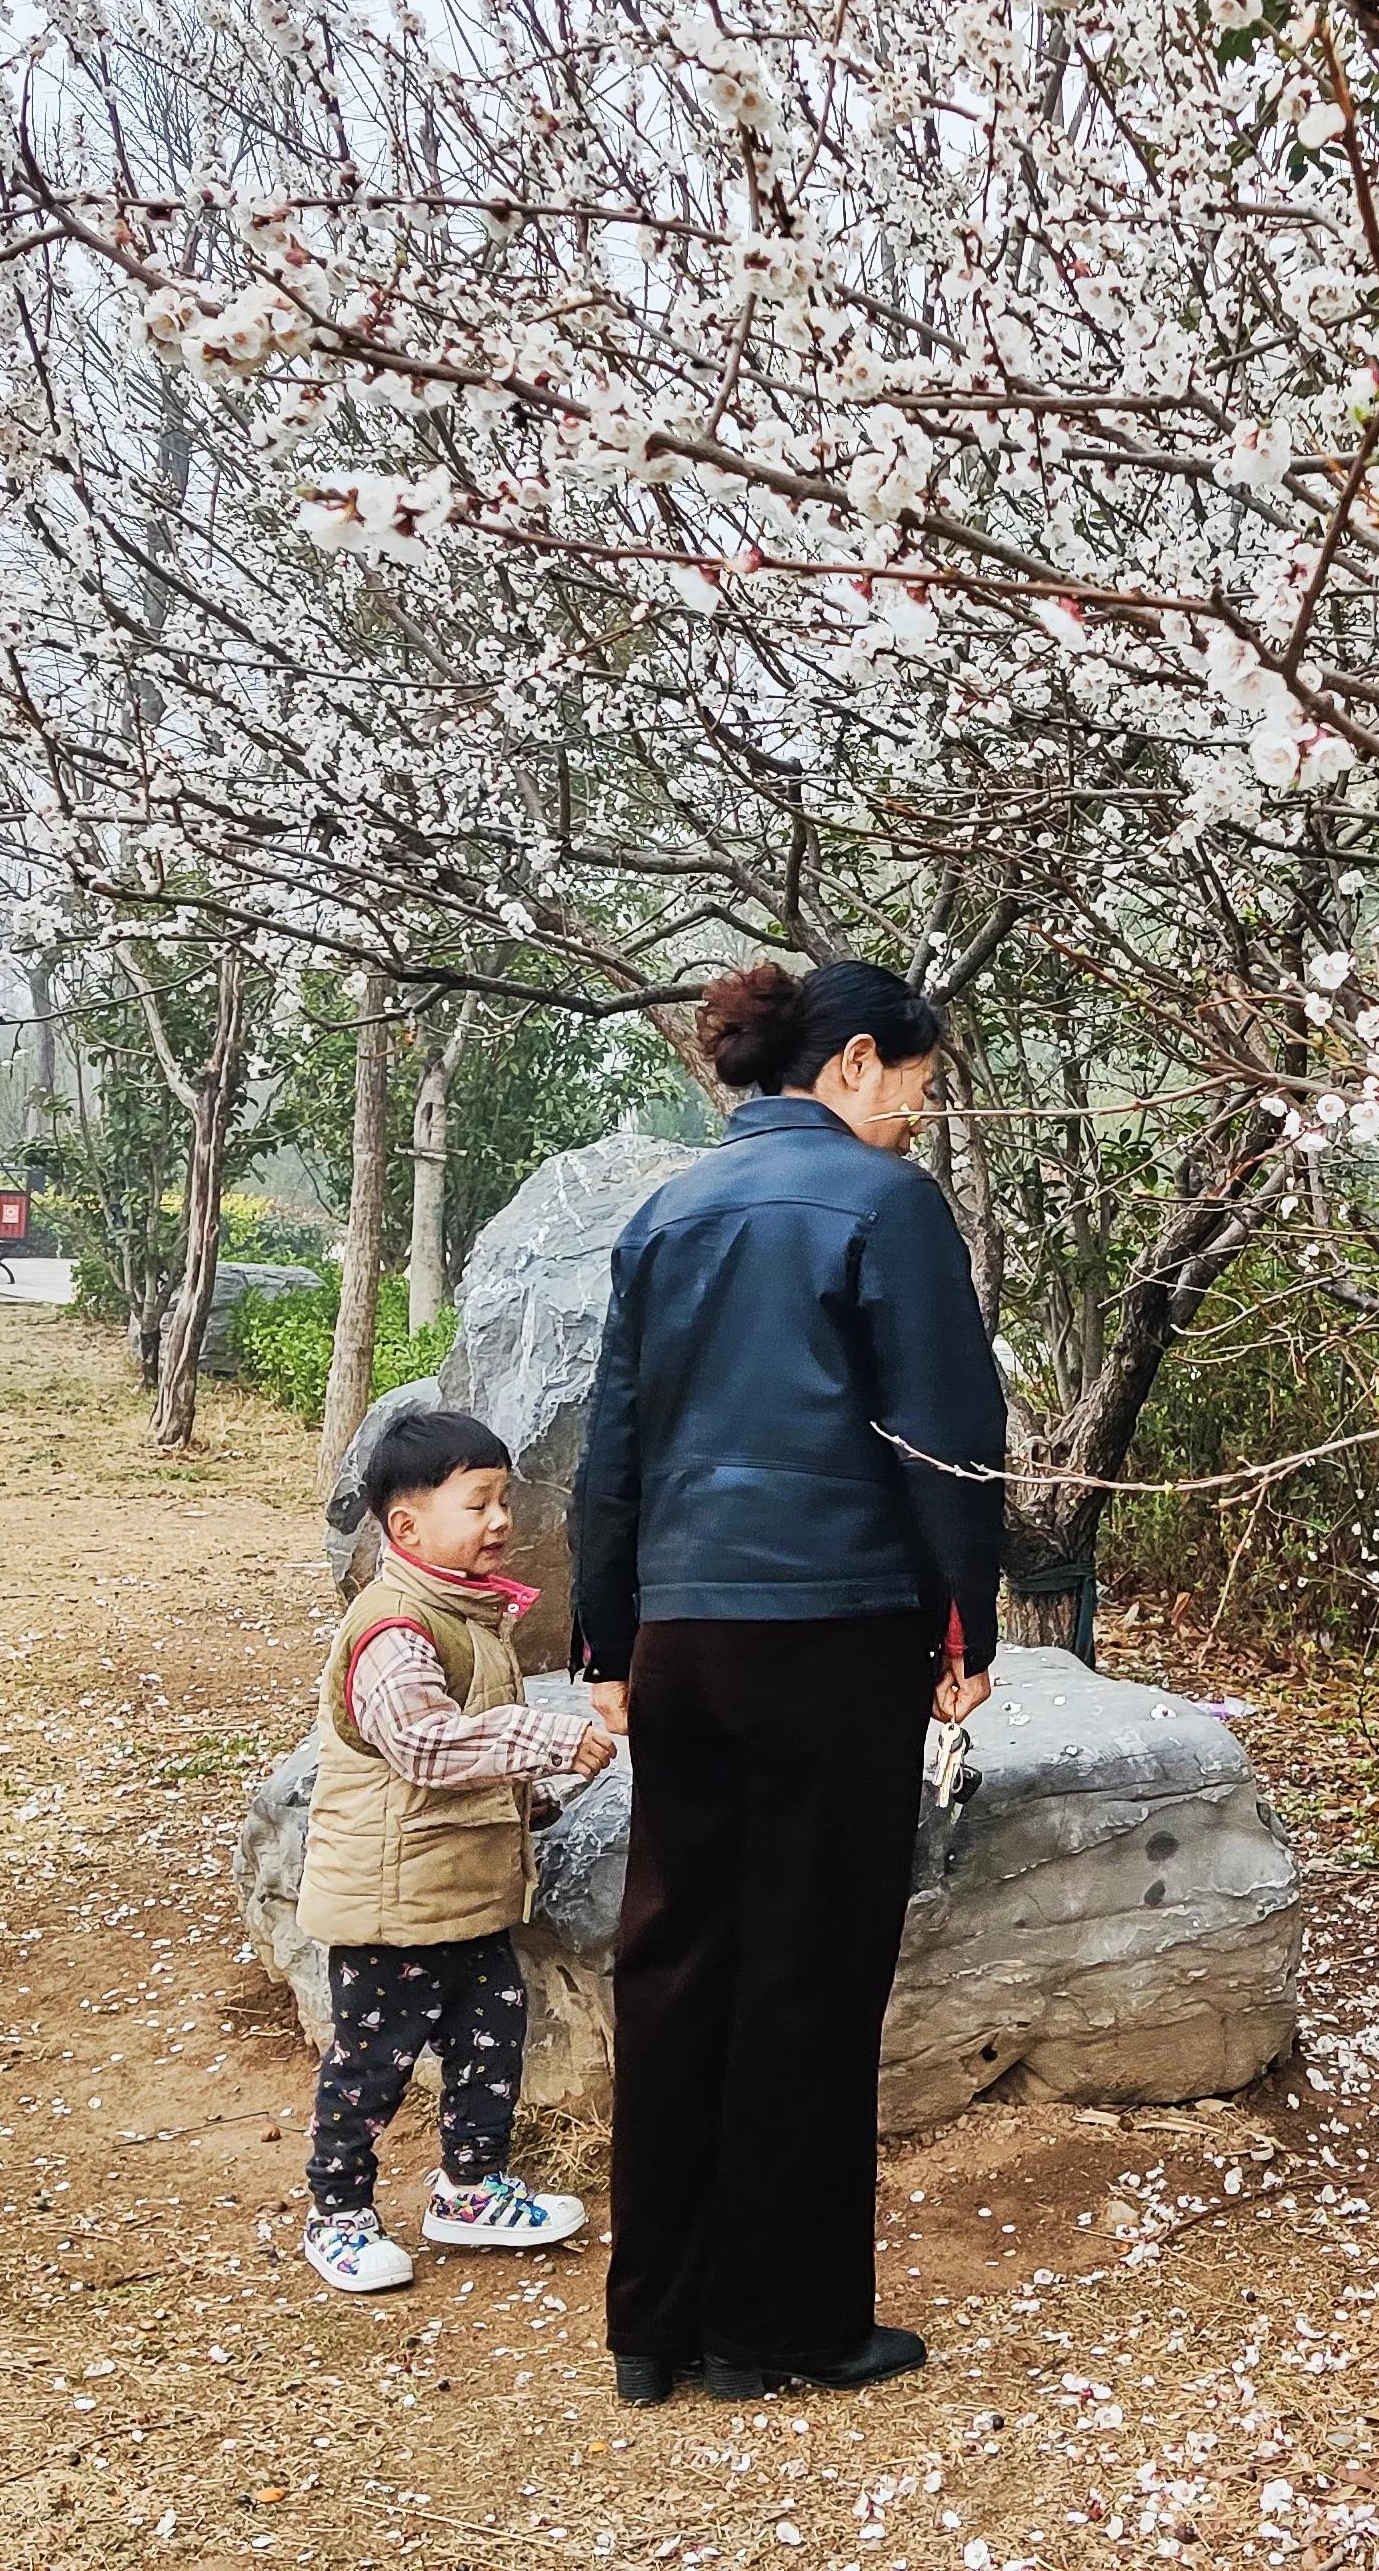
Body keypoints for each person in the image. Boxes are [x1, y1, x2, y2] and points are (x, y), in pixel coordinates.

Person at [573, 958, 1005, 2404]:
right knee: (809, 1973)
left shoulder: (667, 1212)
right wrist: (967, 1633)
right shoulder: (884, 1209)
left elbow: (614, 1448)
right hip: (835, 1628)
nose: (912, 1127)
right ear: (858, 1063)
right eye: (915, 1097)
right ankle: (783, 2325)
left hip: (686, 1634)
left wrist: (605, 1642)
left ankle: (655, 2327)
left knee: (679, 1960)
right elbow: (945, 1437)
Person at [294, 1408, 619, 2294]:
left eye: (505, 1500)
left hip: (464, 1898)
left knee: (491, 2042)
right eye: (478, 1503)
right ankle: (339, 2212)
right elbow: (426, 1747)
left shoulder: (471, 1619)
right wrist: (545, 1738)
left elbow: (485, 1777)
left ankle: (469, 2190)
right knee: (370, 2065)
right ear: (407, 1525)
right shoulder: (394, 1627)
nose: (501, 1522)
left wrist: (561, 1782)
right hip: (389, 1906)